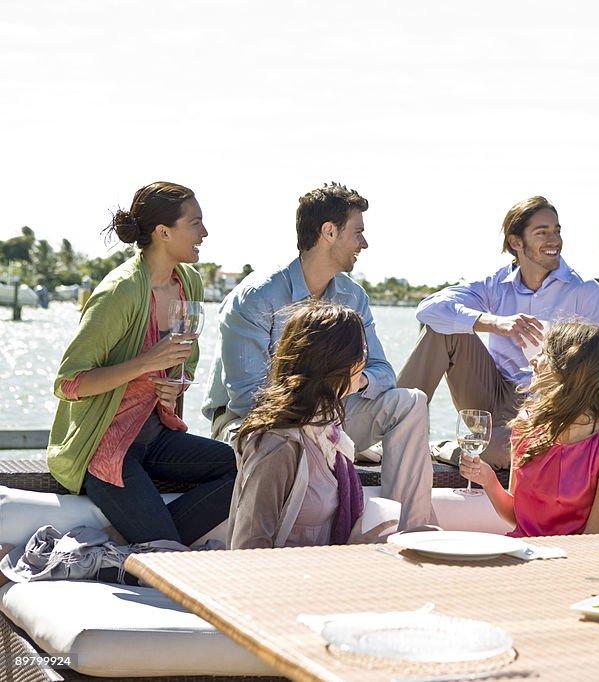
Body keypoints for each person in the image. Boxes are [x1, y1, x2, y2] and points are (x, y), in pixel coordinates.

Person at [203, 182, 436, 530]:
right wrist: (319, 424)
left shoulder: (353, 297)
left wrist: (352, 382)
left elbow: (383, 372)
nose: (364, 243)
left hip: (330, 417)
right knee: (283, 440)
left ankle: (409, 532)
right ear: (329, 232)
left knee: (410, 402)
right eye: (357, 232)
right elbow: (248, 395)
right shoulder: (256, 296)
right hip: (257, 423)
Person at [48, 181, 236, 545]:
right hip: (106, 448)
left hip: (156, 437)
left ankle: (133, 543)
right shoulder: (119, 292)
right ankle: (149, 545)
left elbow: (185, 362)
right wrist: (144, 363)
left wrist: (176, 384)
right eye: (195, 223)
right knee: (166, 550)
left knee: (244, 468)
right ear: (163, 232)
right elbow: (69, 383)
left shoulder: (188, 283)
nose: (205, 232)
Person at [397, 196, 599, 468]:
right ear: (516, 242)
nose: (554, 240)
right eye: (542, 232)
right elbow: (429, 308)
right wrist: (495, 323)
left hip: (551, 404)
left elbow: (597, 372)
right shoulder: (495, 284)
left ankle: (449, 447)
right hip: (494, 396)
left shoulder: (586, 292)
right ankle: (396, 428)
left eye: (556, 230)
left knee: (506, 451)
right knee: (443, 329)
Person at [228, 301, 398, 548]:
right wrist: (349, 552)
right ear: (335, 362)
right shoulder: (278, 444)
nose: (365, 358)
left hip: (324, 575)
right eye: (360, 349)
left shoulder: (328, 430)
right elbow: (248, 548)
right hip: (288, 583)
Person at [458, 320, 599, 536]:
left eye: (543, 352)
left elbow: (596, 537)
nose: (534, 359)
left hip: (582, 561)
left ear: (566, 369)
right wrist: (488, 480)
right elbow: (517, 518)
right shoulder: (527, 420)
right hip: (525, 552)